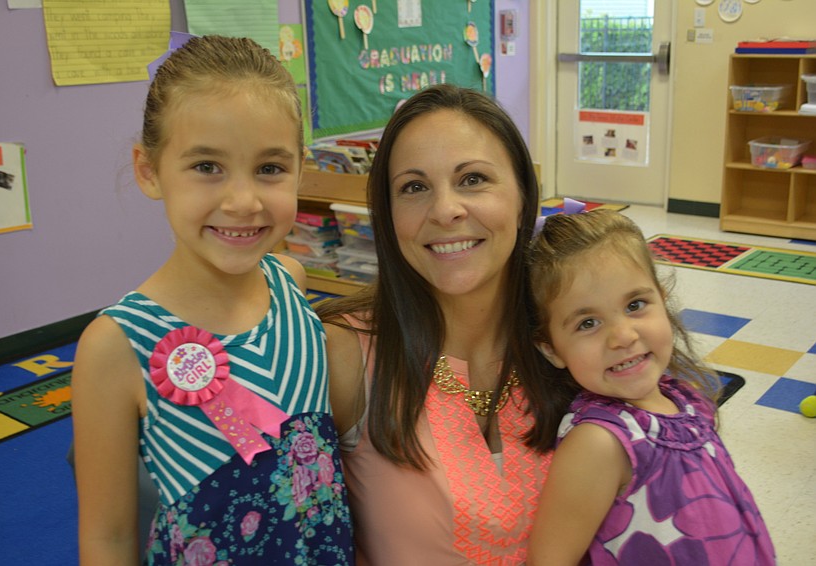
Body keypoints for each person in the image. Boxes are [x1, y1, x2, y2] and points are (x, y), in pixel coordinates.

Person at [71, 35, 353, 565]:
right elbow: (107, 537)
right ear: (148, 169)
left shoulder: (289, 284)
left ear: (299, 167)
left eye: (270, 168)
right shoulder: (116, 346)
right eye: (207, 167)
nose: (243, 201)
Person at [315, 84, 553, 564]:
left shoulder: (569, 339)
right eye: (415, 187)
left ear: (524, 197)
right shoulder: (341, 354)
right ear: (388, 214)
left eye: (473, 179)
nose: (446, 210)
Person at [524, 209, 776, 565]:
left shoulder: (685, 398)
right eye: (588, 323)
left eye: (635, 305)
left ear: (662, 298)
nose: (623, 336)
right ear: (551, 349)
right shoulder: (599, 442)